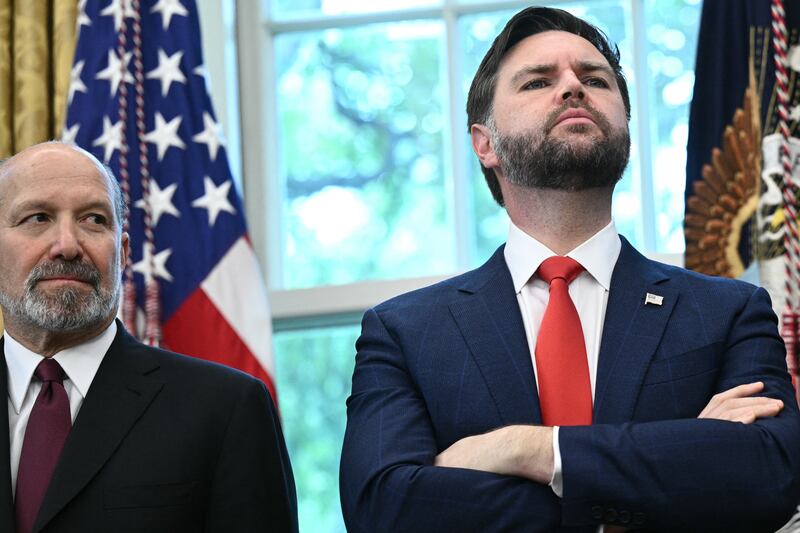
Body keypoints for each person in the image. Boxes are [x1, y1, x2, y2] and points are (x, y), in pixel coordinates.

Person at [339, 7, 800, 532]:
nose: (572, 88)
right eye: (538, 81)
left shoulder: (729, 312)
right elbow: (384, 508)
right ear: (483, 144)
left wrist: (526, 448)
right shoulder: (405, 334)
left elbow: (769, 475)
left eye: (595, 79)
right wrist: (664, 477)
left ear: (625, 126)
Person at [0, 141, 297, 533]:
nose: (68, 246)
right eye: (38, 218)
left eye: (94, 220)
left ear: (123, 252)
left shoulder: (226, 408)